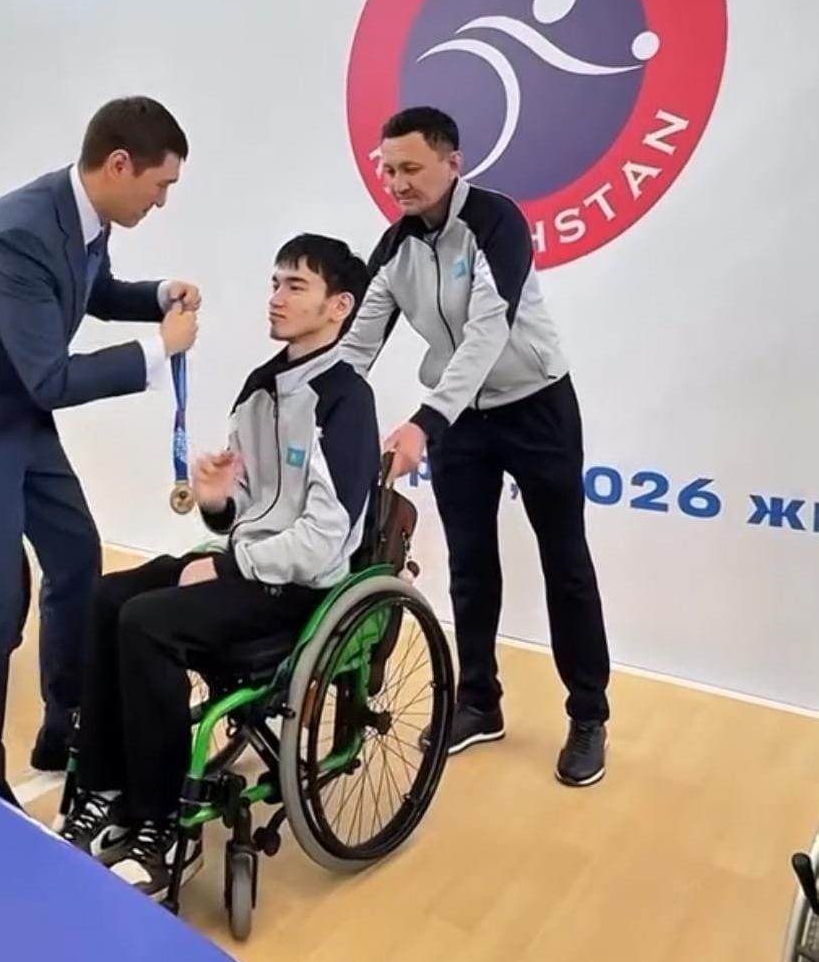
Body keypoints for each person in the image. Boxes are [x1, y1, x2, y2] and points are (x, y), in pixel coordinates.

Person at [0, 96, 201, 802]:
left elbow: (92, 290)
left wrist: (156, 296)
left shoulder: (83, 213)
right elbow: (51, 379)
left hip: (12, 408)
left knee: (76, 556)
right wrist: (157, 350)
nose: (161, 201)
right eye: (160, 185)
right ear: (120, 165)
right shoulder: (20, 231)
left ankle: (65, 722)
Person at [58, 234, 378, 900]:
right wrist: (217, 503)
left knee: (148, 622)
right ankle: (106, 788)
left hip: (299, 590)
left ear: (339, 307)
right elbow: (246, 512)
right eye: (275, 282)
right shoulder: (261, 388)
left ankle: (160, 825)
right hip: (248, 565)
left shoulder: (345, 401)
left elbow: (325, 540)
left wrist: (232, 565)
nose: (277, 297)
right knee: (108, 595)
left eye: (296, 286)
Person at [340, 107, 611, 788]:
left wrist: (425, 421)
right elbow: (356, 346)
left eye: (410, 168)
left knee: (565, 563)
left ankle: (588, 715)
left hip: (536, 405)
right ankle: (479, 702)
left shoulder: (496, 222)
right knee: (470, 564)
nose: (397, 183)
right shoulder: (395, 247)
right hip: (461, 419)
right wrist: (297, 405)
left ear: (452, 162)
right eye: (388, 170)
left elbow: (489, 329)